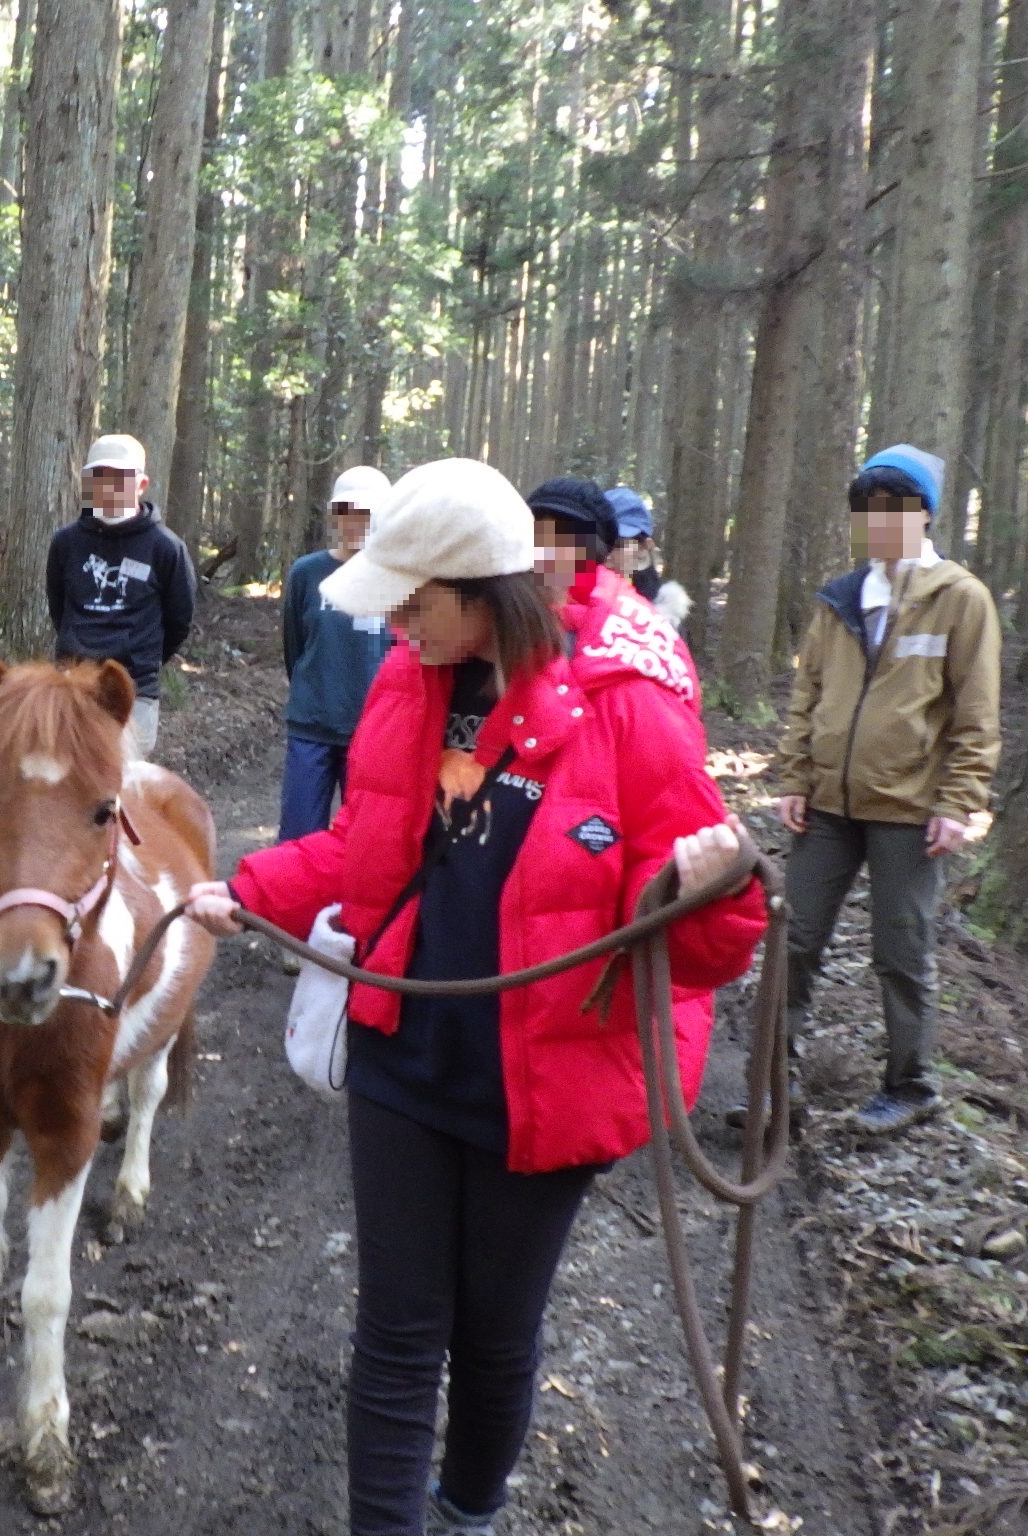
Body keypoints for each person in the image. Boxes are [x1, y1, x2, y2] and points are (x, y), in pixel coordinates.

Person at [181, 460, 767, 1536]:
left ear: (477, 590)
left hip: (551, 1075)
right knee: (396, 1330)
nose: (394, 625)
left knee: (494, 1332)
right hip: (406, 1052)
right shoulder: (410, 679)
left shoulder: (629, 709)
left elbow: (715, 947)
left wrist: (709, 888)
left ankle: (466, 1512)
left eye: (411, 602)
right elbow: (371, 845)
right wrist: (248, 887)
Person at [774, 445, 1000, 1136]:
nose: (881, 523)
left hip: (910, 811)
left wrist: (960, 801)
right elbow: (807, 693)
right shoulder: (841, 599)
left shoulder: (959, 599)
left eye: (895, 509)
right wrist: (794, 776)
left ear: (924, 516)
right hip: (827, 808)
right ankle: (771, 1087)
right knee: (794, 940)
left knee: (901, 953)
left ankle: (911, 1084)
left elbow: (976, 712)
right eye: (869, 511)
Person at [44, 433, 197, 759]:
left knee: (120, 788)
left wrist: (142, 658)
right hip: (72, 685)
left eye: (119, 478)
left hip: (134, 690)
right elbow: (59, 608)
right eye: (99, 477)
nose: (108, 486)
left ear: (141, 484)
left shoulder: (166, 547)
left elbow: (179, 620)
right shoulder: (66, 543)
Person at [278, 464, 395, 844]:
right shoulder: (307, 573)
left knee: (364, 840)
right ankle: (289, 905)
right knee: (298, 836)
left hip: (372, 731)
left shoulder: (398, 578)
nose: (355, 522)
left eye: (366, 512)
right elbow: (294, 645)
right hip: (312, 725)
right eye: (346, 511)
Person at [527, 474, 702, 716]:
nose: (610, 553)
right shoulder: (556, 595)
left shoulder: (660, 617)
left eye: (620, 544)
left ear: (644, 548)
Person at [603, 485, 692, 630]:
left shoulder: (665, 616)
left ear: (645, 547)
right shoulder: (569, 601)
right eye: (599, 542)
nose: (606, 555)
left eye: (617, 544)